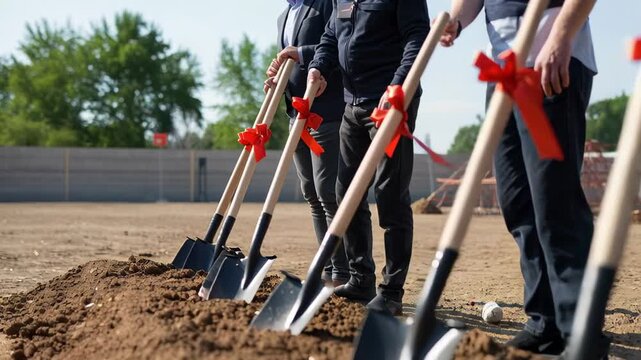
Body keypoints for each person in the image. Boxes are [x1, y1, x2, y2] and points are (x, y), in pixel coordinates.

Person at [439, 0, 609, 357]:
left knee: (554, 201)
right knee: (517, 202)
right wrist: (455, 19)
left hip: (551, 63)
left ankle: (579, 331)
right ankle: (544, 321)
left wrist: (561, 37)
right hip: (504, 69)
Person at [305, 0, 430, 315]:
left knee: (390, 194)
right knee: (345, 193)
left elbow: (417, 37)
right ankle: (361, 279)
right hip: (353, 105)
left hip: (391, 103)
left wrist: (398, 85)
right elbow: (331, 37)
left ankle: (391, 291)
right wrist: (318, 66)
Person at [266, 0, 349, 286]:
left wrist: (300, 54)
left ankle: (344, 271)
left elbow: (341, 43)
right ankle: (328, 267)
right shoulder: (283, 16)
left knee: (328, 192)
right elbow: (291, 64)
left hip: (326, 114)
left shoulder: (326, 4)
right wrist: (280, 80)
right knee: (311, 194)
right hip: (296, 114)